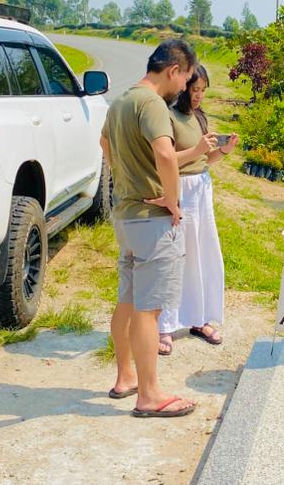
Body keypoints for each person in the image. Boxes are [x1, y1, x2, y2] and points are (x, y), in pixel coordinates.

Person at [100, 38, 198, 417]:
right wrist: (171, 200)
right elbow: (164, 153)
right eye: (186, 78)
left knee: (128, 300)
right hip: (151, 220)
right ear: (174, 70)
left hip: (125, 216)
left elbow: (104, 143)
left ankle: (126, 377)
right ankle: (150, 395)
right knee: (149, 309)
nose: (184, 87)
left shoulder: (122, 101)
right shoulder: (153, 104)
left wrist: (127, 180)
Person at [157, 65, 239, 355]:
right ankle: (164, 326)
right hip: (180, 188)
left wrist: (224, 150)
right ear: (183, 87)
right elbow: (166, 161)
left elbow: (205, 160)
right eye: (194, 90)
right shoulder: (168, 117)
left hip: (202, 189)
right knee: (176, 256)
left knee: (204, 254)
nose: (199, 96)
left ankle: (199, 318)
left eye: (203, 90)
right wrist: (197, 150)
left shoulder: (200, 117)